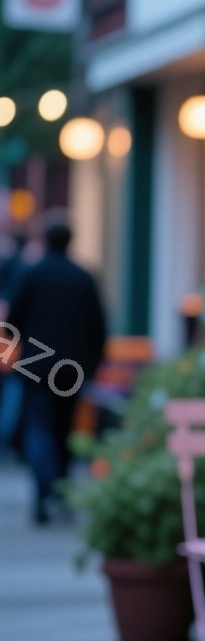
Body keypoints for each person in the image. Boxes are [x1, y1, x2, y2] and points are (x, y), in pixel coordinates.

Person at [9, 215, 107, 524]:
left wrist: (15, 357)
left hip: (35, 364)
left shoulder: (31, 274)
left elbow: (11, 321)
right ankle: (61, 494)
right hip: (72, 368)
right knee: (64, 429)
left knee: (38, 427)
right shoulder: (83, 277)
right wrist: (92, 366)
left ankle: (43, 493)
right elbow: (98, 326)